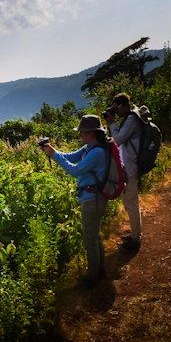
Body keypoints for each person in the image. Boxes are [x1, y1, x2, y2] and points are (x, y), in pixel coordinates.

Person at [40, 115, 110, 286]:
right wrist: (54, 151)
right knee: (94, 236)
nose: (80, 135)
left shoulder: (97, 152)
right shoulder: (90, 147)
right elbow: (70, 157)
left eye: (82, 132)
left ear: (91, 133)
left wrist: (55, 156)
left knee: (89, 238)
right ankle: (100, 270)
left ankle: (93, 277)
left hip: (93, 199)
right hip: (93, 197)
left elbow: (76, 170)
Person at [103, 93, 141, 251]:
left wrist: (111, 122)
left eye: (115, 108)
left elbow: (118, 140)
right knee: (130, 203)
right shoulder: (128, 119)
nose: (115, 112)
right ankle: (135, 233)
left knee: (131, 204)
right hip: (129, 167)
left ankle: (135, 238)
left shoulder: (132, 119)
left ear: (124, 105)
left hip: (131, 168)